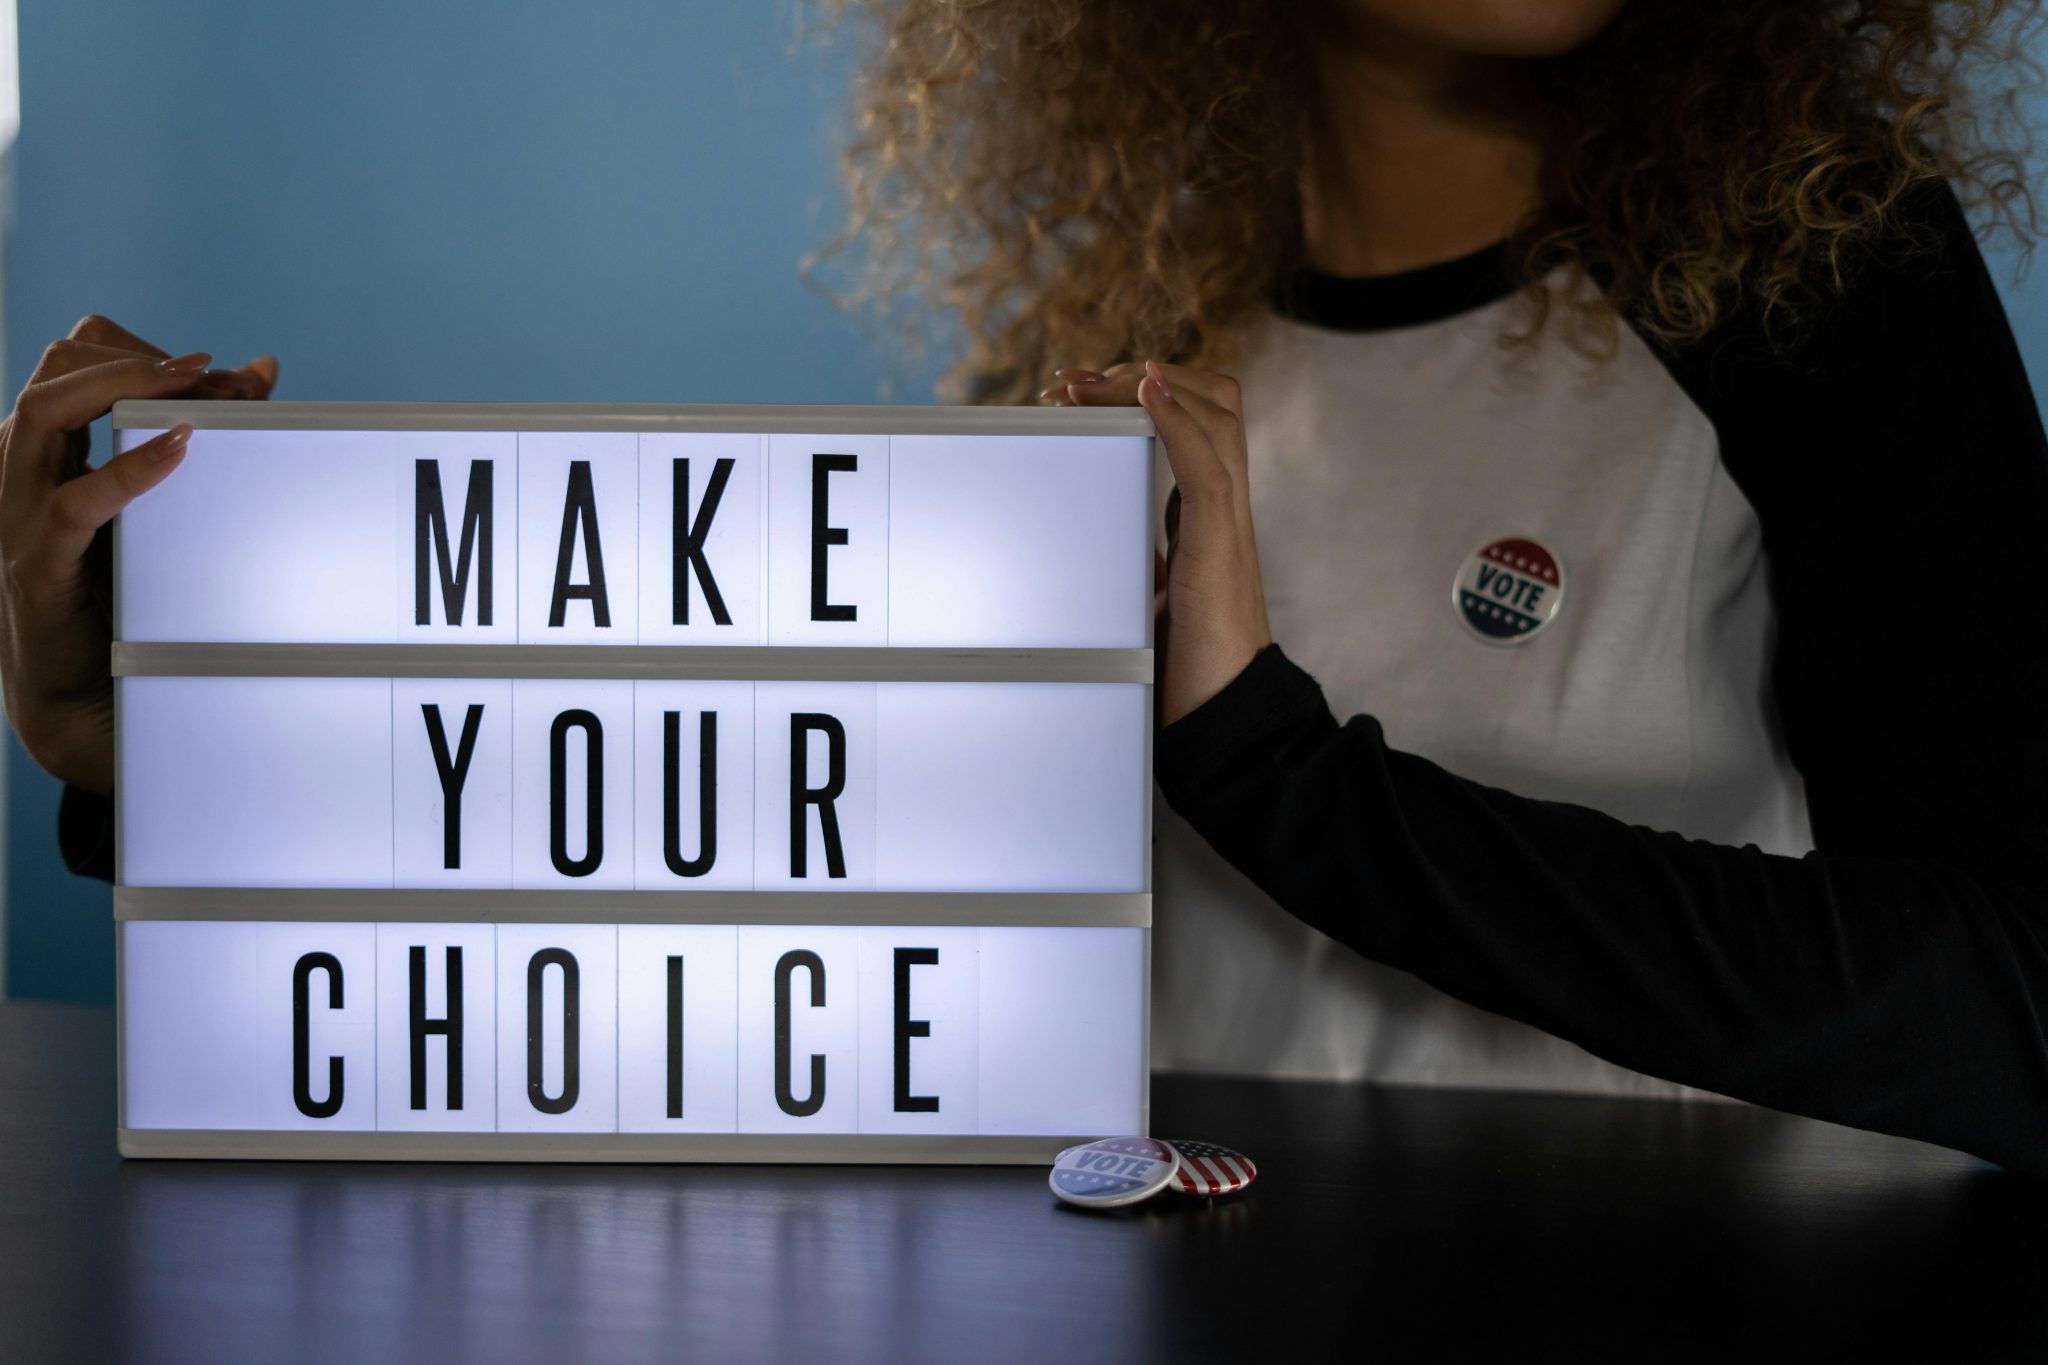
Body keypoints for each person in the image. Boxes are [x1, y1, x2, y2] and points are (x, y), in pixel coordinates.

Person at [5, 0, 2046, 1172]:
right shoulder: (1109, 362)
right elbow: (797, 945)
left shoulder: (1825, 292)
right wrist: (174, 767)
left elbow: (1999, 1010)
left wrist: (1284, 781)